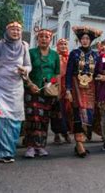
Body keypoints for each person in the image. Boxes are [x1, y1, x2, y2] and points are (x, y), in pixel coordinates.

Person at [0, 21, 31, 163]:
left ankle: (7, 152)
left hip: (15, 88)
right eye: (13, 29)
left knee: (13, 120)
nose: (16, 32)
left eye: (18, 30)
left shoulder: (24, 46)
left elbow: (28, 65)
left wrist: (25, 70)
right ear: (7, 31)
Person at [66, 26, 102, 158]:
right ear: (80, 40)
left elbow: (97, 72)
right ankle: (79, 143)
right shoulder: (74, 53)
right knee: (78, 113)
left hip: (91, 87)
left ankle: (81, 142)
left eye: (87, 38)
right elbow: (69, 72)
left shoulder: (95, 55)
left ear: (91, 41)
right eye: (83, 38)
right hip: (76, 85)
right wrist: (68, 90)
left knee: (89, 114)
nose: (85, 40)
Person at [24, 29, 60, 158]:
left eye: (47, 37)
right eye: (41, 37)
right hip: (32, 90)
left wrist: (51, 83)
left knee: (44, 119)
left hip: (47, 92)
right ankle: (30, 146)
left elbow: (57, 74)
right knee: (32, 118)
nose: (44, 39)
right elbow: (25, 71)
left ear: (50, 39)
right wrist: (29, 84)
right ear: (37, 39)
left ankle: (40, 146)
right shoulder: (31, 53)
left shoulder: (55, 55)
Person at [51, 38, 72, 145]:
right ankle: (57, 134)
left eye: (65, 44)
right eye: (61, 44)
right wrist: (55, 85)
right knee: (57, 112)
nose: (63, 46)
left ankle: (66, 132)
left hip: (67, 88)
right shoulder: (54, 57)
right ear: (57, 46)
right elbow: (52, 73)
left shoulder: (70, 58)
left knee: (67, 112)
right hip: (57, 88)